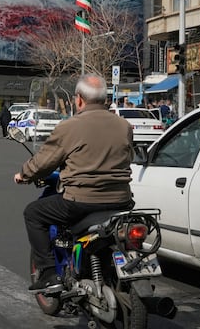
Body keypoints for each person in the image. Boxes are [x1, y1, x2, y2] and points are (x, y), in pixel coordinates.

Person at [13, 74, 134, 292]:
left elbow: (44, 162)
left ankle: (49, 274)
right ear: (105, 98)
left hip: (81, 201)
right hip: (121, 200)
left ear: (78, 99)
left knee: (33, 213)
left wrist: (24, 174)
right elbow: (127, 158)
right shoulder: (124, 126)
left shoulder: (70, 127)